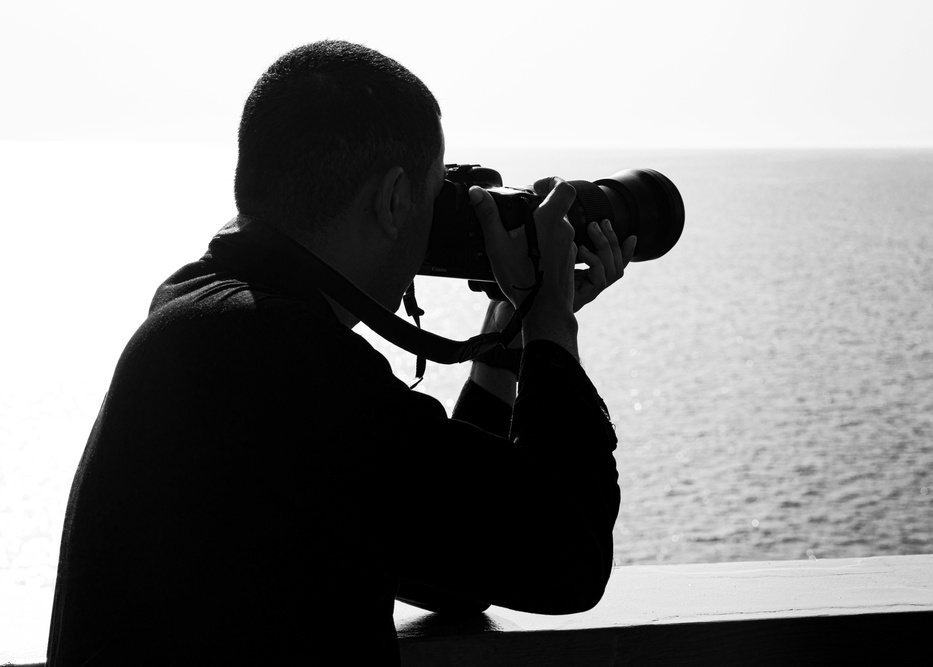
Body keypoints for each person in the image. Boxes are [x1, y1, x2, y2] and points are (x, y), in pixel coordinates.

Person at [46, 40, 634, 665]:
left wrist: (504, 338)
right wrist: (551, 325)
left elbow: (456, 575)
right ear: (393, 200)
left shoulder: (202, 316)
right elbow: (569, 557)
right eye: (436, 193)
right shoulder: (278, 359)